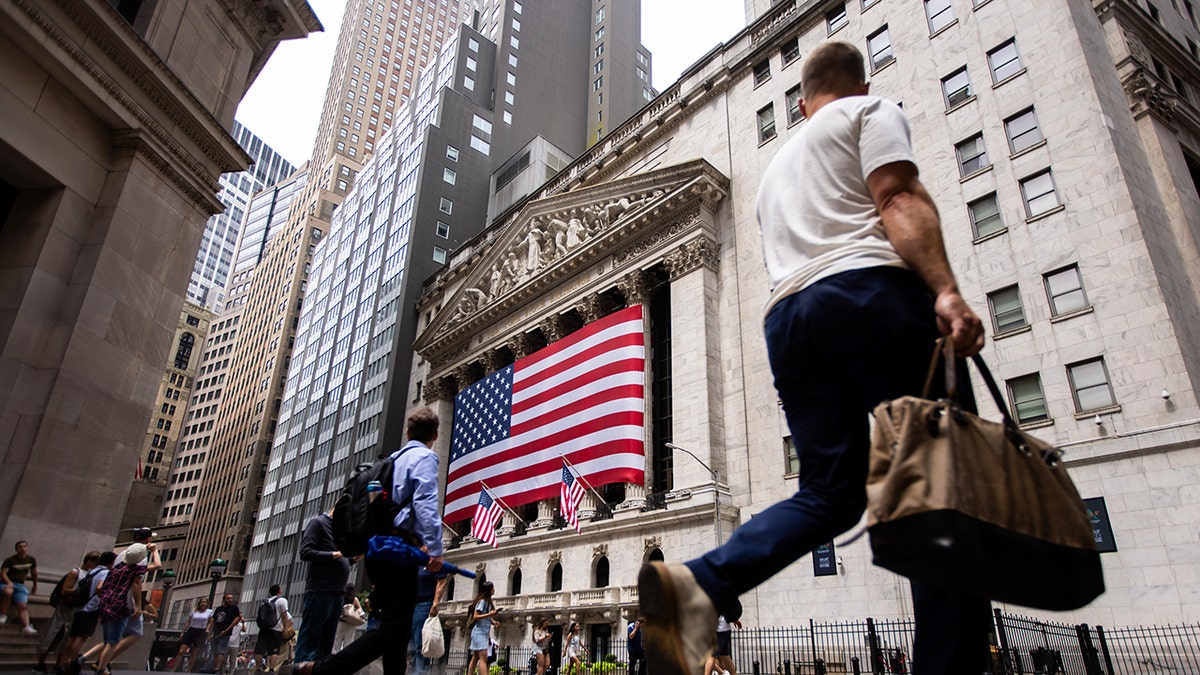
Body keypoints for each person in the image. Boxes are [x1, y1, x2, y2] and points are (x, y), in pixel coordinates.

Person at [637, 40, 991, 675]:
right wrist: (946, 291)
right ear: (859, 83)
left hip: (791, 320)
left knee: (831, 492)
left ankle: (698, 583)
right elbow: (898, 200)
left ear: (799, 105)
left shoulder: (775, 168)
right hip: (870, 296)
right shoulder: (869, 112)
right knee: (936, 492)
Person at [282, 406, 445, 675]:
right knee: (394, 627)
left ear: (407, 433)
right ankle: (322, 668)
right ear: (435, 435)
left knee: (398, 628)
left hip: (377, 551)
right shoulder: (424, 458)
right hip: (398, 551)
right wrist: (436, 551)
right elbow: (426, 505)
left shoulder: (392, 459)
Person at [295, 506, 351, 664]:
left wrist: (353, 558)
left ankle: (321, 668)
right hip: (320, 591)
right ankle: (302, 667)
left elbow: (342, 559)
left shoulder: (339, 530)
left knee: (327, 640)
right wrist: (335, 554)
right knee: (311, 638)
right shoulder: (318, 523)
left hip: (337, 592)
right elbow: (305, 552)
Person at [95, 541, 159, 675]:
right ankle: (100, 667)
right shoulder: (134, 570)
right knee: (113, 641)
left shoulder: (116, 568)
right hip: (121, 606)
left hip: (106, 605)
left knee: (108, 640)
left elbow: (101, 588)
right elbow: (157, 565)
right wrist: (154, 551)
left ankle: (86, 659)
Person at [34, 551, 101, 673]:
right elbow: (64, 590)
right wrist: (79, 591)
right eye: (96, 562)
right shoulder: (75, 572)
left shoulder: (92, 574)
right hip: (65, 607)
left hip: (76, 609)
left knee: (67, 637)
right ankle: (41, 662)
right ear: (89, 560)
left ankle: (59, 664)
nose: (97, 564)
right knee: (53, 633)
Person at [57, 551, 117, 675]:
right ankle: (71, 664)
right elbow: (100, 588)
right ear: (112, 562)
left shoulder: (92, 571)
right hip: (91, 608)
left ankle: (63, 663)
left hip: (80, 607)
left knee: (72, 636)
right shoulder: (106, 573)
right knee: (81, 637)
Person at [408, 569, 447, 675]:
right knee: (411, 644)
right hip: (409, 605)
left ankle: (420, 671)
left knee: (420, 643)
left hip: (424, 605)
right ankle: (414, 670)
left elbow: (442, 582)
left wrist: (435, 603)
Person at [1, 540, 39, 634]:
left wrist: (35, 585)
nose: (22, 548)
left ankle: (26, 626)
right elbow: (3, 573)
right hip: (6, 583)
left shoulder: (31, 560)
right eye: (20, 547)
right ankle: (3, 615)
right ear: (16, 549)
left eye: (24, 546)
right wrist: (9, 583)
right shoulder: (10, 560)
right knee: (8, 592)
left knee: (22, 605)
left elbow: (34, 573)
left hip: (20, 585)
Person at [253, 585, 292, 673]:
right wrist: (285, 628)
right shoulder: (282, 600)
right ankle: (271, 669)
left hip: (264, 629)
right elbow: (284, 615)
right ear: (279, 591)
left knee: (260, 650)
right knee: (274, 651)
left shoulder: (265, 601)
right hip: (276, 630)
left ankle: (257, 669)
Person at [466, 582, 500, 675]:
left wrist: (494, 622)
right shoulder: (482, 602)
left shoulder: (488, 602)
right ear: (488, 590)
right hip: (479, 633)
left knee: (475, 657)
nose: (494, 590)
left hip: (484, 633)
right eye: (492, 588)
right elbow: (475, 616)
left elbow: (487, 618)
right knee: (484, 658)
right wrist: (490, 614)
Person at [173, 598, 214, 673]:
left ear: (207, 604)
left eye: (204, 602)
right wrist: (183, 631)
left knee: (194, 652)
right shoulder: (194, 610)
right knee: (181, 651)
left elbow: (210, 622)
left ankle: (189, 670)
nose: (202, 604)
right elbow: (188, 621)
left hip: (201, 631)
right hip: (191, 630)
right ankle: (174, 668)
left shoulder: (209, 612)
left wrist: (207, 630)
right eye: (201, 602)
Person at [208, 593, 243, 674]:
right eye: (228, 598)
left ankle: (216, 669)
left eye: (231, 598)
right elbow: (213, 621)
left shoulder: (234, 608)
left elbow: (237, 619)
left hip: (225, 633)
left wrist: (227, 630)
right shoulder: (219, 609)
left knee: (220, 650)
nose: (230, 600)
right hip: (216, 632)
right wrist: (209, 633)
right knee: (214, 650)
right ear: (224, 600)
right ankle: (214, 667)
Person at [333, 585, 363, 653]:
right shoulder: (354, 599)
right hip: (351, 622)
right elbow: (359, 609)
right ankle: (346, 657)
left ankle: (335, 656)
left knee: (336, 641)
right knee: (349, 641)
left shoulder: (341, 597)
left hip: (340, 621)